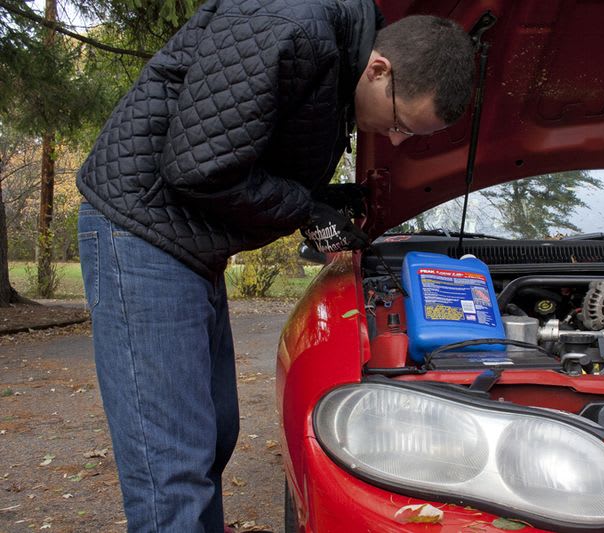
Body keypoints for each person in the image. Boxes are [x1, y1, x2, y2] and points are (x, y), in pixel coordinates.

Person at [75, 0, 475, 531]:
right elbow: (198, 167)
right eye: (401, 121)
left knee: (213, 433)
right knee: (168, 467)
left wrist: (326, 197)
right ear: (379, 70)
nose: (396, 140)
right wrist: (305, 209)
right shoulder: (289, 27)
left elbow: (244, 147)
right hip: (140, 233)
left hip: (181, 240)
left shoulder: (334, 58)